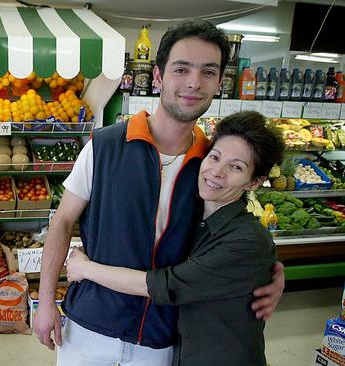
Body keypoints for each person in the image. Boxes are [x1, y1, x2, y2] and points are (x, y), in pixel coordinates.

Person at [33, 19, 285, 366]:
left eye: (208, 72)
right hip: (88, 328)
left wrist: (272, 275)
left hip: (161, 339)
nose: (194, 82)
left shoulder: (211, 167)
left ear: (219, 82)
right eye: (182, 69)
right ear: (157, 76)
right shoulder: (105, 146)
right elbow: (62, 222)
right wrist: (45, 301)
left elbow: (232, 237)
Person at [66, 111, 284, 365]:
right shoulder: (197, 218)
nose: (217, 172)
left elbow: (167, 285)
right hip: (182, 352)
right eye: (214, 157)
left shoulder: (248, 240)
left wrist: (85, 268)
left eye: (236, 167)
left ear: (254, 182)